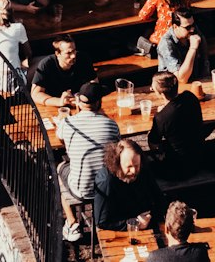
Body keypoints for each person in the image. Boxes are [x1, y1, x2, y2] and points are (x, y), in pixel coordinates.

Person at [55, 81, 120, 243]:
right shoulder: (112, 125)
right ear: (98, 102)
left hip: (81, 189)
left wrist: (64, 121)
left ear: (79, 102)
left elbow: (60, 139)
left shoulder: (68, 123)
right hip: (108, 187)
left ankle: (71, 222)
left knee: (59, 168)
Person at [93, 138, 164, 230]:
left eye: (136, 165)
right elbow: (102, 222)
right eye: (129, 166)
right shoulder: (106, 181)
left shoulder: (143, 169)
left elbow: (158, 197)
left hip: (146, 220)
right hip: (122, 226)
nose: (134, 171)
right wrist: (135, 223)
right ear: (117, 163)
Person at [147, 73, 208, 180]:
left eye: (153, 88)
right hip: (200, 157)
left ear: (161, 94)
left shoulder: (161, 117)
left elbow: (153, 143)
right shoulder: (190, 96)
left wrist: (161, 114)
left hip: (180, 169)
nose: (151, 88)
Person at [30, 36, 94, 110]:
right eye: (68, 53)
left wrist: (81, 97)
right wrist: (60, 102)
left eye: (74, 51)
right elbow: (35, 94)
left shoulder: (83, 59)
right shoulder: (46, 64)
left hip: (81, 104)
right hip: (54, 107)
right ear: (57, 53)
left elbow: (94, 84)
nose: (73, 56)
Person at [158, 9, 211, 85]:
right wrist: (193, 48)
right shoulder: (166, 44)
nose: (192, 29)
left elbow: (205, 59)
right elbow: (181, 79)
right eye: (188, 27)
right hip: (172, 87)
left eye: (193, 25)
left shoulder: (194, 30)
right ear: (175, 26)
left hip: (196, 81)